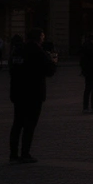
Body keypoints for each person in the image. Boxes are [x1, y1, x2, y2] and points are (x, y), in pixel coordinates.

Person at [9, 29, 57, 163]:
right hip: (33, 93)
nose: (43, 39)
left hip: (18, 92)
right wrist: (53, 61)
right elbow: (50, 71)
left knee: (17, 124)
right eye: (42, 36)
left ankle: (13, 154)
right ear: (38, 38)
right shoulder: (38, 52)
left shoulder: (17, 51)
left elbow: (11, 69)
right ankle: (25, 153)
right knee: (29, 124)